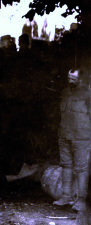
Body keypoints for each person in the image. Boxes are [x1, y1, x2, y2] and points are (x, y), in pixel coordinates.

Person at [53, 69, 91, 212]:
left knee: (81, 168)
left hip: (82, 138)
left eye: (73, 79)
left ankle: (81, 201)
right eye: (69, 78)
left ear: (81, 80)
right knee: (66, 165)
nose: (70, 81)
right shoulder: (64, 92)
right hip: (64, 136)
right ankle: (66, 196)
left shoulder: (88, 95)